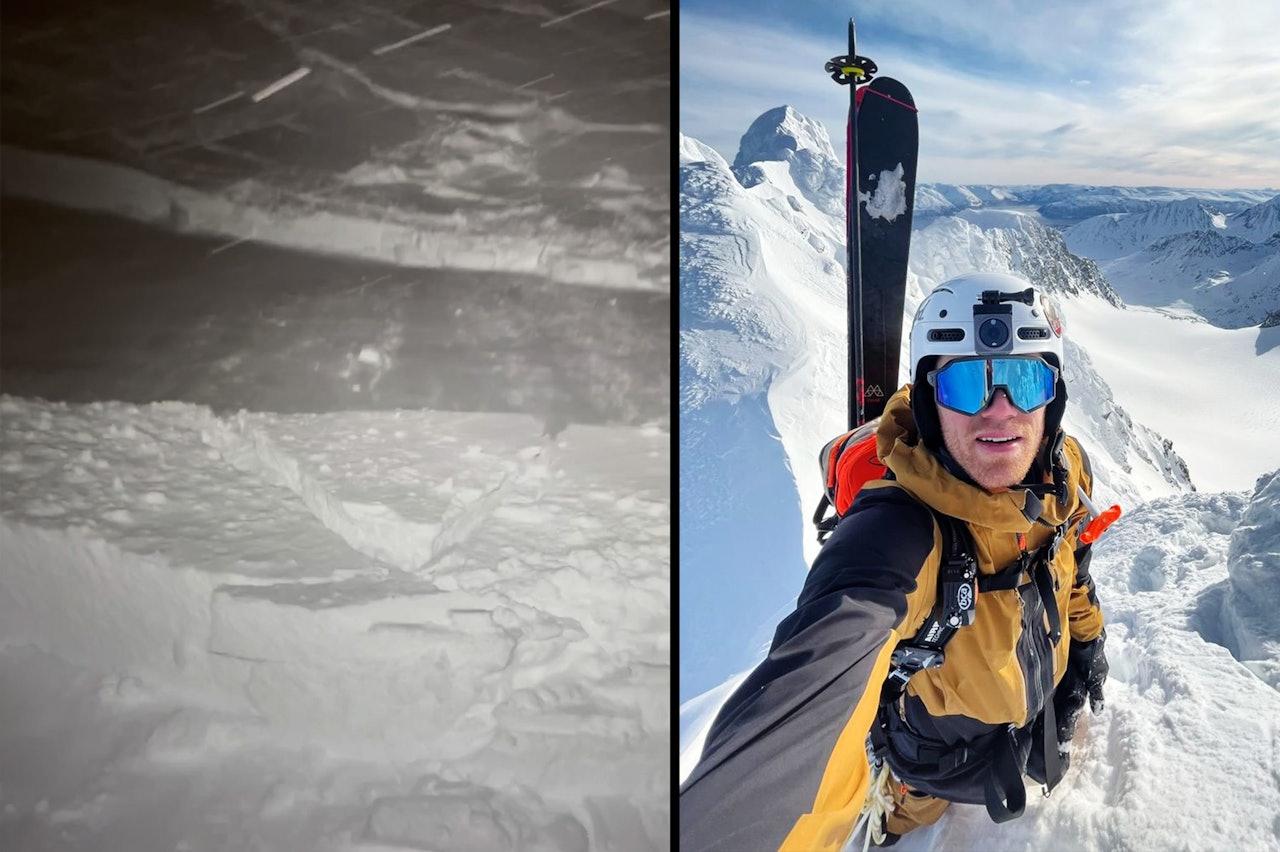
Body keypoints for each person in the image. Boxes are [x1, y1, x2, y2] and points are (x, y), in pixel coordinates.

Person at [679, 272, 1109, 851]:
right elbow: (815, 680)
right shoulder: (900, 531)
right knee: (900, 823)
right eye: (965, 384)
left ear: (1053, 395)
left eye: (1022, 378)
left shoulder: (1064, 474)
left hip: (1035, 714)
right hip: (932, 760)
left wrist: (1086, 645)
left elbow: (1071, 565)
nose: (999, 412)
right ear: (930, 399)